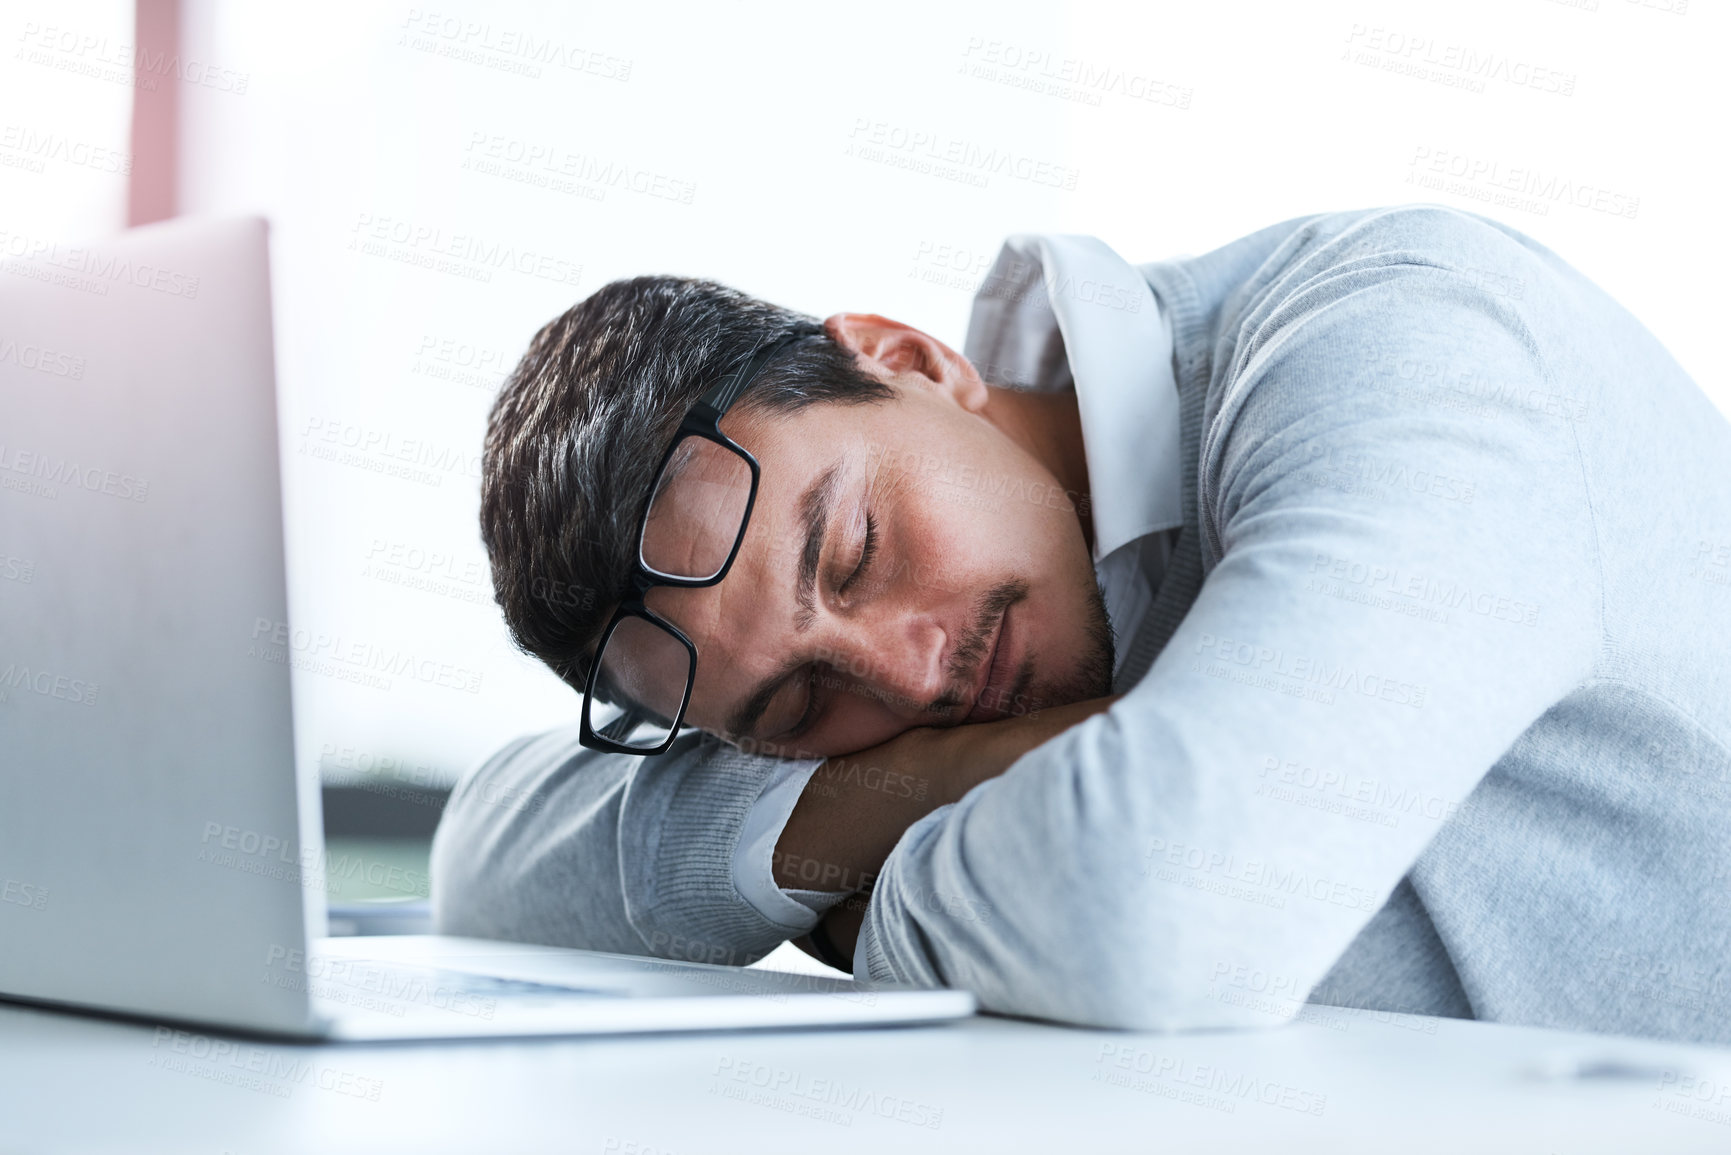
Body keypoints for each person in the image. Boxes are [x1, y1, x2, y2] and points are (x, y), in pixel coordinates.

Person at [430, 204, 1731, 1042]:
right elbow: (489, 863)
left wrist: (845, 914)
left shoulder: (1403, 347)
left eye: (857, 550)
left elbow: (1152, 921)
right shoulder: (950, 649)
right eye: (797, 712)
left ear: (910, 359)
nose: (908, 674)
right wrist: (894, 802)